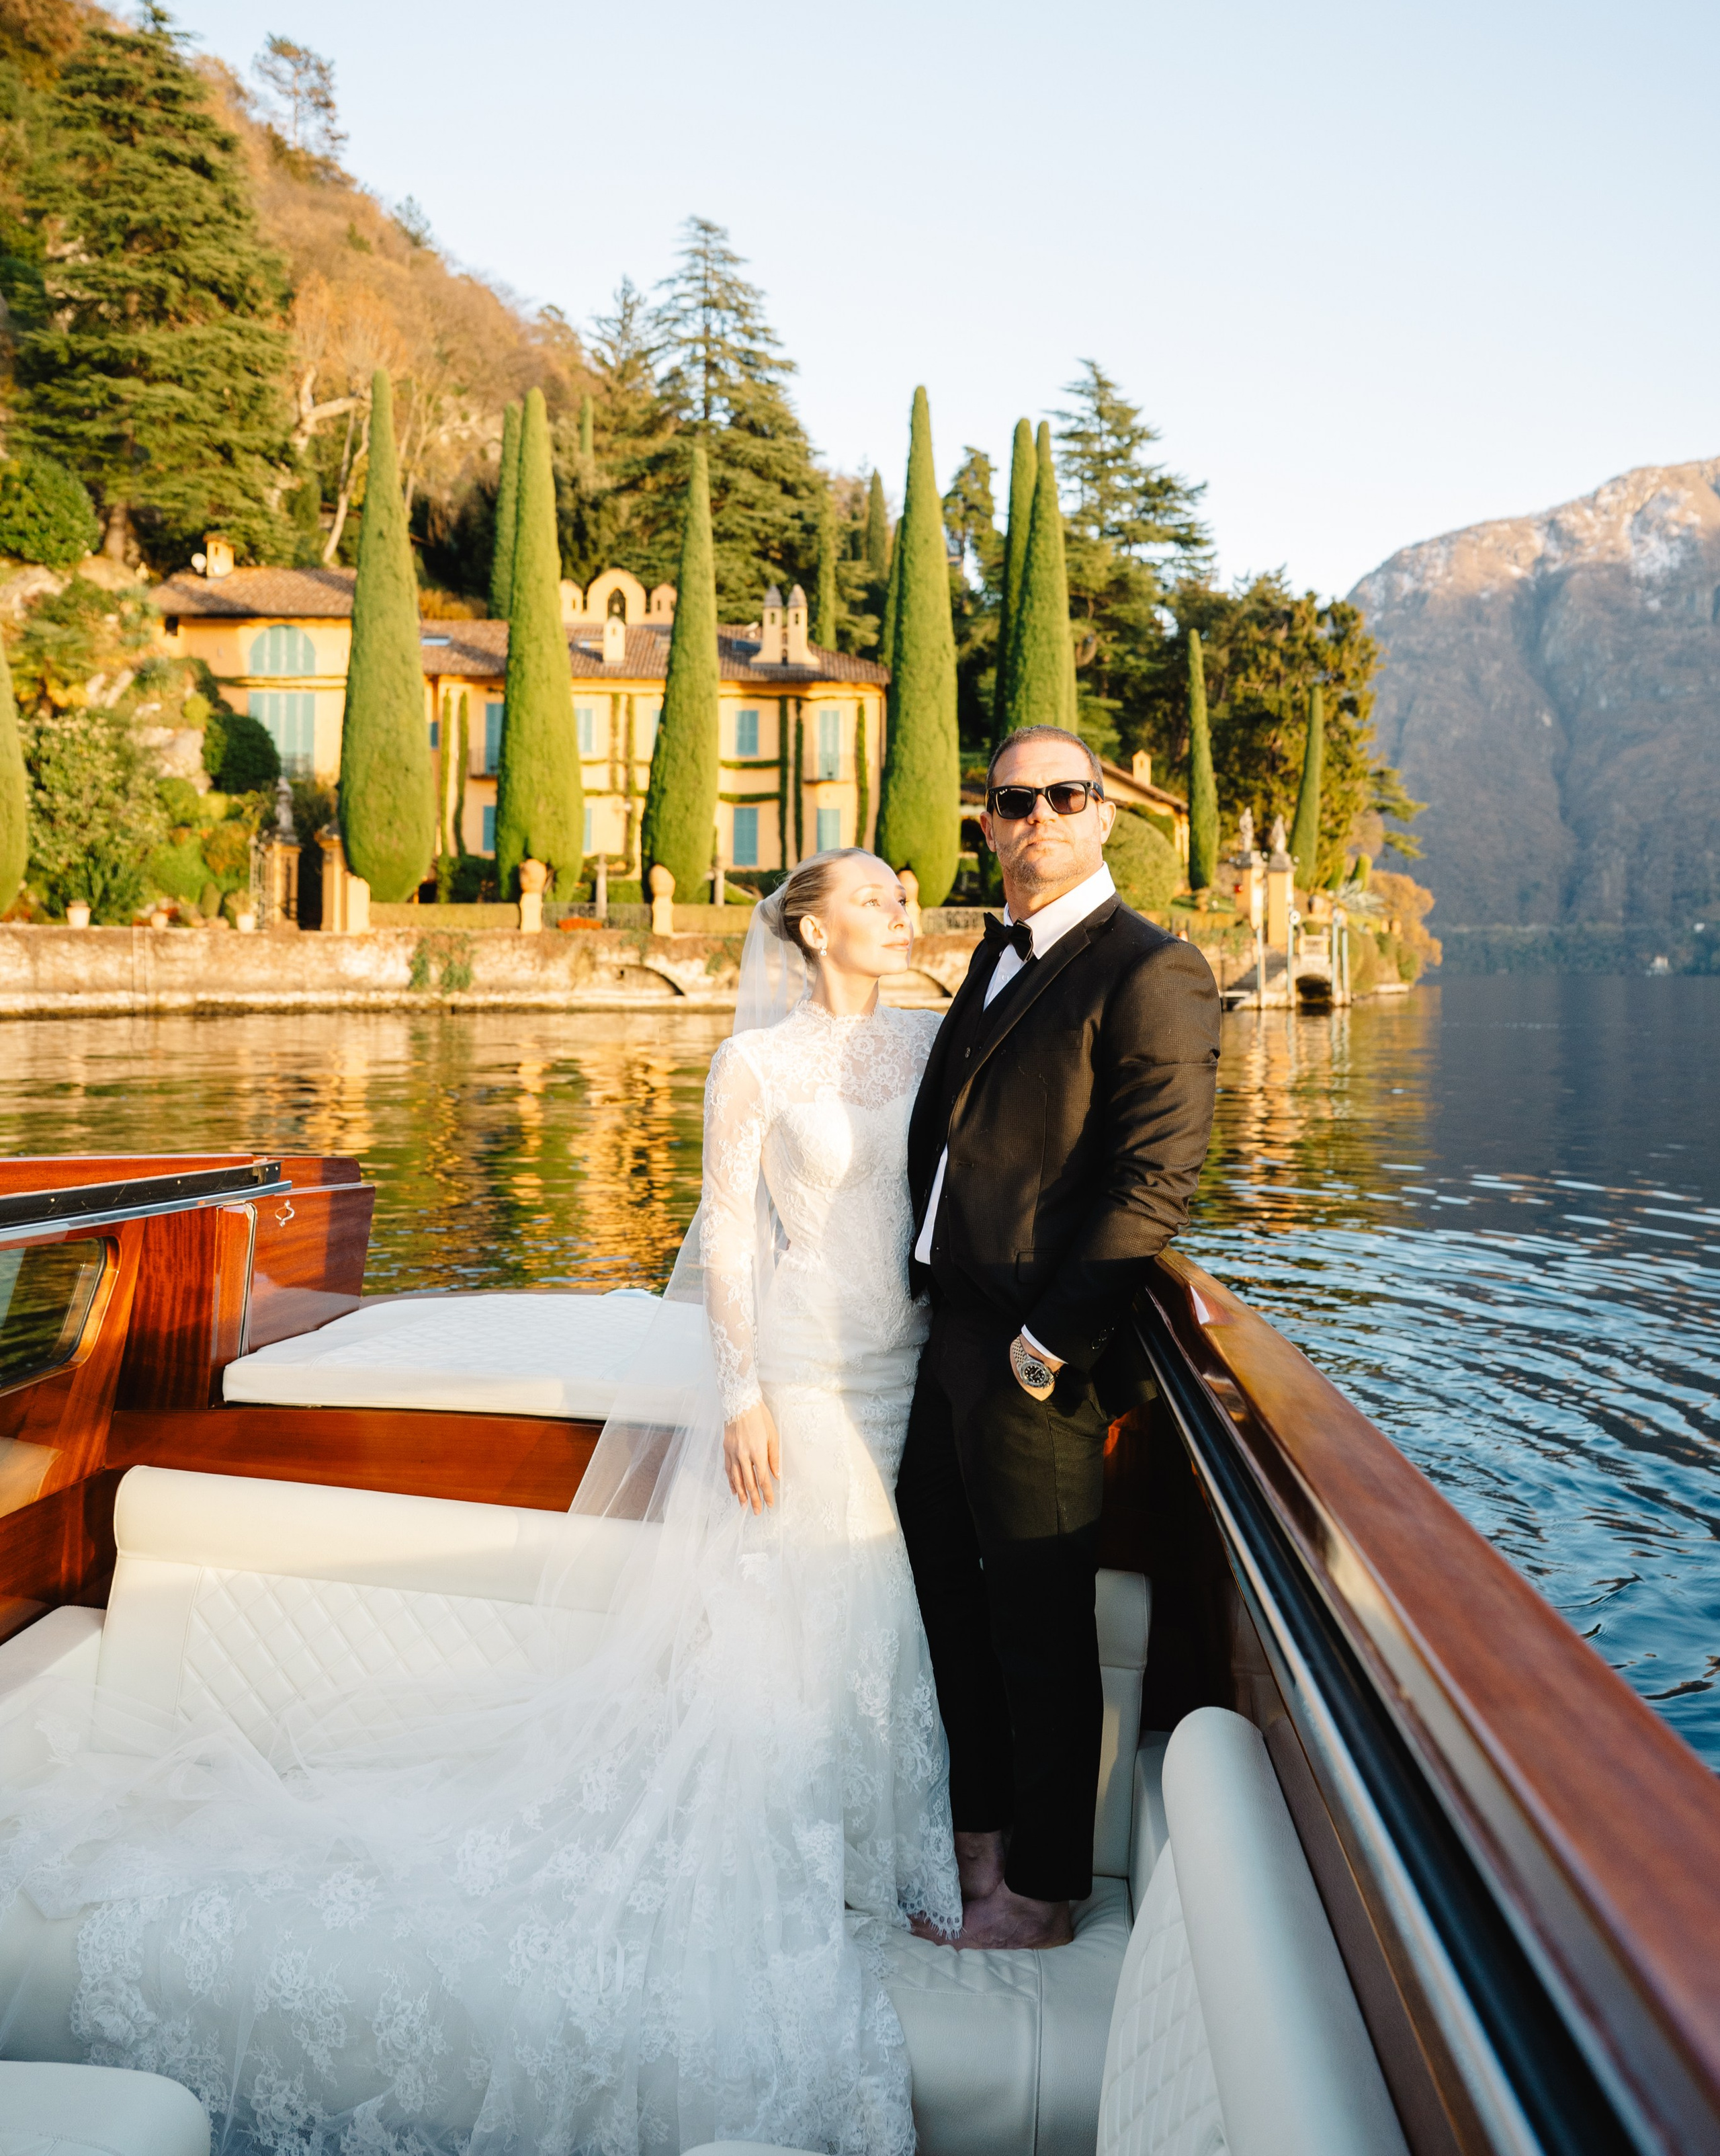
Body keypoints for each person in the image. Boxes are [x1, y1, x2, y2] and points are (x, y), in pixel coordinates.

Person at [0, 851, 958, 2156]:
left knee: (861, 1582)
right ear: (807, 926)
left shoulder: (934, 1033)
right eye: (871, 895)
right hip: (794, 1363)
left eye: (901, 893)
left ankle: (862, 1844)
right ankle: (807, 1853)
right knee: (820, 1589)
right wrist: (738, 1392)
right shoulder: (757, 1064)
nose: (899, 908)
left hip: (898, 1358)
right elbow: (728, 1236)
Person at [898, 725, 1221, 1949]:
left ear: (1102, 819)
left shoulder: (1153, 970)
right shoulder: (993, 958)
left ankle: (1041, 1893)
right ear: (987, 824)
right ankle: (975, 1842)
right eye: (1014, 799)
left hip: (1035, 1351)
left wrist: (1047, 1348)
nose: (1038, 815)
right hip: (942, 1338)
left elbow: (1154, 1186)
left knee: (1038, 1623)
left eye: (1064, 796)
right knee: (943, 1594)